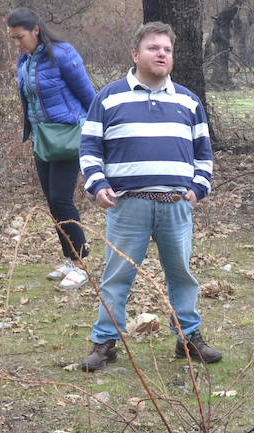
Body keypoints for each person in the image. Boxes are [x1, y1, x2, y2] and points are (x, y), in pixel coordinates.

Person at [77, 21, 222, 372]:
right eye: (153, 48)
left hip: (175, 206)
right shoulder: (109, 98)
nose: (161, 54)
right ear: (135, 54)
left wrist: (198, 188)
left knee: (182, 275)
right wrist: (96, 185)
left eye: (167, 50)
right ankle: (105, 343)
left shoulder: (188, 102)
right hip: (128, 206)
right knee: (116, 276)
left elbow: (204, 152)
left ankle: (188, 339)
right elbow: (89, 147)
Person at [8, 7, 98, 290]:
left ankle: (81, 264)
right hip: (42, 139)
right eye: (12, 38)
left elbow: (88, 96)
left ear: (36, 30)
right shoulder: (25, 60)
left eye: (20, 37)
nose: (17, 43)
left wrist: (97, 134)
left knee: (61, 199)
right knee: (52, 201)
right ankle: (69, 259)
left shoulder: (63, 54)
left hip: (69, 136)